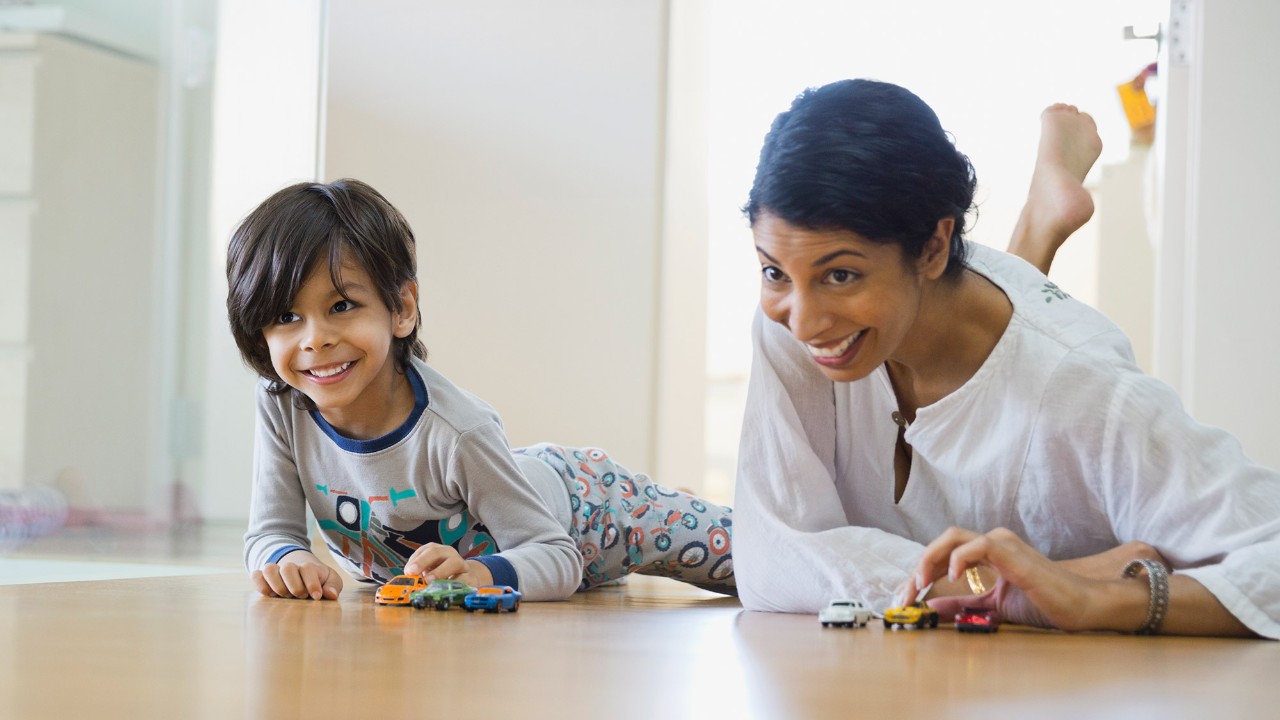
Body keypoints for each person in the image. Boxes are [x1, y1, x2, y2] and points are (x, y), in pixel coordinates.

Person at [733, 78, 1279, 639]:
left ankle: (1041, 219)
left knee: (1028, 368)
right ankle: (1039, 221)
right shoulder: (796, 323)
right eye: (773, 271)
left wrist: (1100, 601)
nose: (802, 320)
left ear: (933, 246)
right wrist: (993, 587)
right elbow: (768, 560)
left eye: (841, 275)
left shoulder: (1086, 388)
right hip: (912, 680)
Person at [227, 179, 735, 601]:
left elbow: (556, 556)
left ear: (401, 308)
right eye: (286, 316)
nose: (316, 339)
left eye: (342, 306)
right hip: (505, 489)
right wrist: (286, 558)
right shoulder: (283, 405)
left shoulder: (459, 431)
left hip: (590, 511)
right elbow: (270, 533)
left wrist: (481, 575)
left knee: (759, 561)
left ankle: (660, 497)